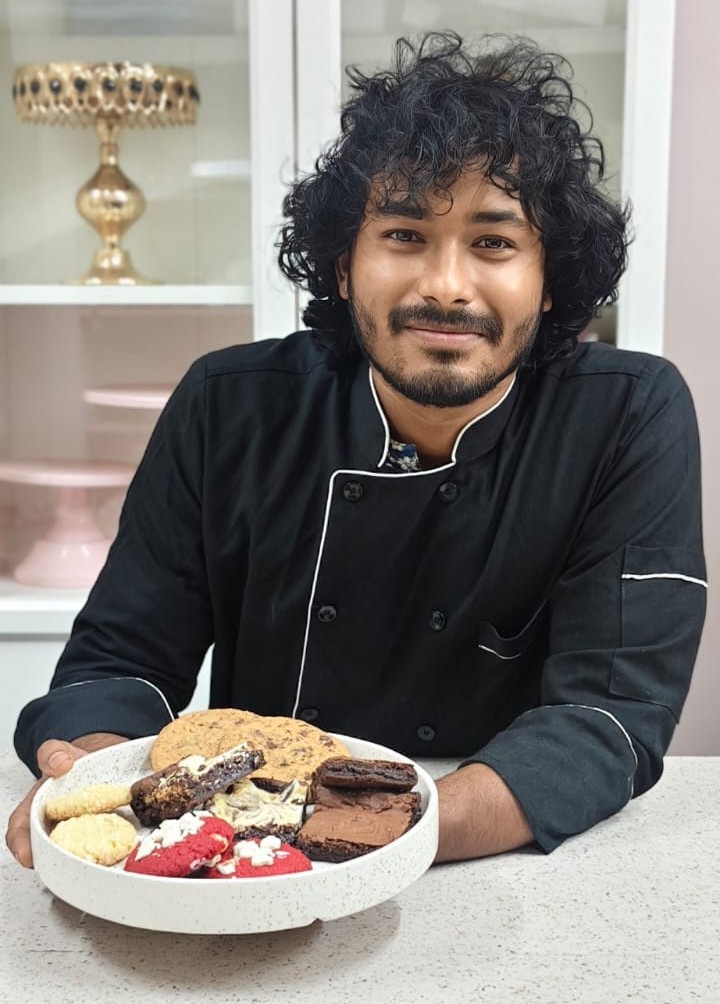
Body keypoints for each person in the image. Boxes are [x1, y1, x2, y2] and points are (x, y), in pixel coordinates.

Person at [6, 32, 706, 868]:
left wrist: (383, 838)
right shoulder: (230, 405)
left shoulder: (627, 413)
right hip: (244, 867)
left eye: (493, 242)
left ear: (549, 279)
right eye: (405, 234)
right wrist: (94, 778)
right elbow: (123, 656)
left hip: (489, 854)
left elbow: (611, 715)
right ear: (342, 265)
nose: (446, 285)